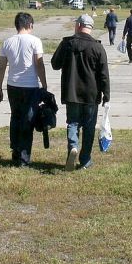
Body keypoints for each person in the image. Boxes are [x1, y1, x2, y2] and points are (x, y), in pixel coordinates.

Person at [51, 14, 110, 171]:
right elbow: (104, 74)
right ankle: (85, 160)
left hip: (72, 93)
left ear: (77, 26)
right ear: (91, 28)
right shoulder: (98, 47)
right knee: (89, 127)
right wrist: (107, 95)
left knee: (73, 123)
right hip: (92, 95)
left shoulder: (67, 44)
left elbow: (54, 64)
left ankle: (73, 147)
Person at [0, 12, 48, 166]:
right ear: (29, 25)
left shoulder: (7, 42)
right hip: (30, 86)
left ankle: (15, 150)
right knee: (28, 120)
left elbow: (1, 68)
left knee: (15, 117)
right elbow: (39, 64)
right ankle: (24, 158)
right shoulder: (35, 41)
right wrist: (44, 84)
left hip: (12, 86)